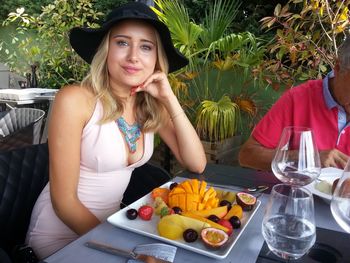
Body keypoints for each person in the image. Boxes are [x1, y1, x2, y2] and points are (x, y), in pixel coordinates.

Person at [25, 2, 206, 259]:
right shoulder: (75, 99)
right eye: (122, 43)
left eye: (146, 47)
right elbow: (63, 202)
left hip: (111, 228)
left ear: (156, 59)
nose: (133, 56)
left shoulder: (151, 106)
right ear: (105, 50)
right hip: (60, 236)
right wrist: (122, 248)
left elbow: (196, 163)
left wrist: (169, 98)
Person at [239, 38, 350, 171]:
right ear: (338, 68)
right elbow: (248, 156)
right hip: (299, 190)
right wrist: (308, 158)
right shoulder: (298, 99)